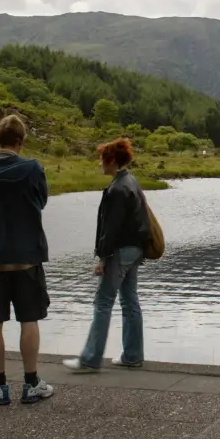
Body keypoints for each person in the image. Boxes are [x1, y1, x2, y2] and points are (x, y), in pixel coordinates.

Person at [0, 115, 55, 405]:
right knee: (28, 319)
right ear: (21, 140)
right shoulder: (32, 168)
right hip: (25, 256)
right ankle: (31, 384)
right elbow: (41, 201)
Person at [63, 138, 149, 373]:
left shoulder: (116, 189)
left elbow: (110, 230)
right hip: (135, 250)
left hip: (119, 251)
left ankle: (90, 359)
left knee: (103, 302)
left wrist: (103, 258)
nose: (100, 163)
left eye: (102, 159)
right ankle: (132, 355)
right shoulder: (131, 182)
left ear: (111, 160)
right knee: (130, 301)